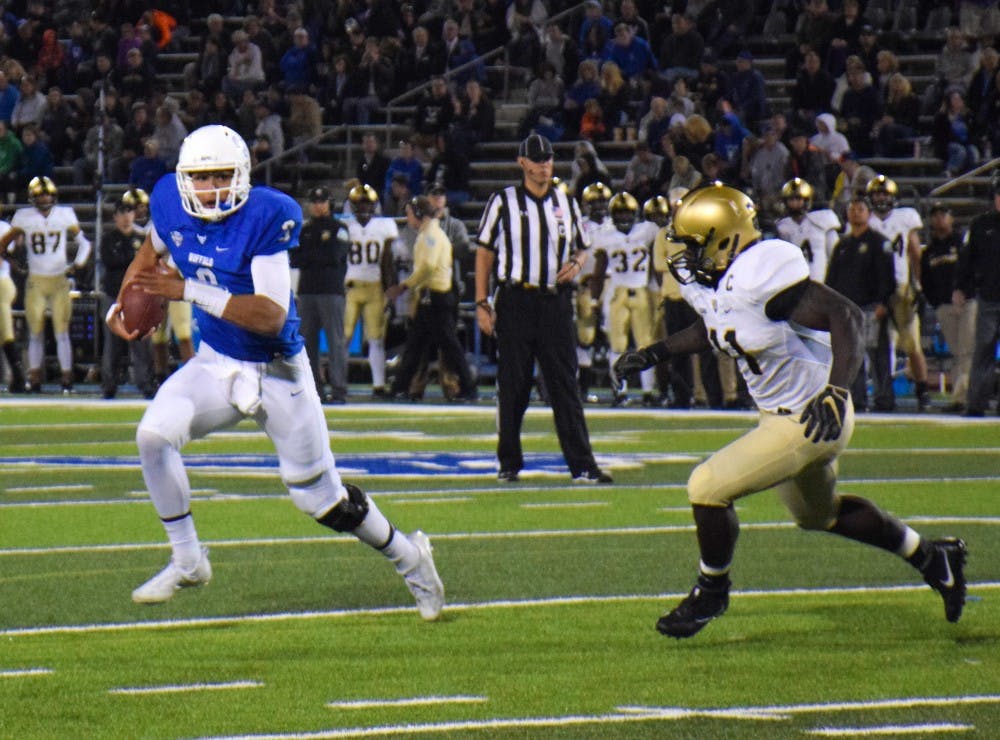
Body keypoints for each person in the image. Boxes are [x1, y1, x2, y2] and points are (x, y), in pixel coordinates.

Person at [104, 125, 443, 619]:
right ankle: (188, 558)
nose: (211, 187)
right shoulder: (169, 202)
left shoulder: (267, 214)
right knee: (153, 437)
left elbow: (271, 315)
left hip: (277, 371)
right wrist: (128, 299)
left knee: (322, 502)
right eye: (201, 177)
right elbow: (150, 253)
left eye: (221, 174)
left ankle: (410, 559)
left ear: (241, 175)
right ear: (183, 180)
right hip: (217, 362)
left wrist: (187, 292)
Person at [612, 182, 967, 639]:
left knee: (706, 485)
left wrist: (837, 392)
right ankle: (931, 557)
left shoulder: (765, 274)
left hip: (812, 414)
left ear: (726, 238)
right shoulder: (727, 280)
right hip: (782, 415)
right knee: (819, 515)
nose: (686, 257)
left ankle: (711, 590)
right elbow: (721, 326)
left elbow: (848, 317)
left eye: (696, 245)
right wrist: (657, 352)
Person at [474, 134, 611, 484]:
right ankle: (509, 461)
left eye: (548, 159)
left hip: (554, 301)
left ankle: (582, 465)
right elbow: (485, 253)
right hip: (516, 299)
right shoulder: (503, 201)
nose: (543, 165)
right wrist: (482, 303)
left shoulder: (565, 201)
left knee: (565, 384)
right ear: (522, 163)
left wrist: (578, 264)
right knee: (513, 385)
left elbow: (583, 246)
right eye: (536, 160)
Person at [0, 176, 90, 393]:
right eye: (40, 195)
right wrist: (16, 263)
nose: (44, 198)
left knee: (62, 331)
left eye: (47, 194)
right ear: (32, 197)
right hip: (36, 280)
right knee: (35, 332)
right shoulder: (24, 217)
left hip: (59, 278)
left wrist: (76, 265)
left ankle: (67, 378)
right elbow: (3, 245)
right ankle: (35, 377)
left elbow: (84, 244)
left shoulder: (64, 214)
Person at [386, 195, 477, 402]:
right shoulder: (430, 233)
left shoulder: (430, 236)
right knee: (416, 346)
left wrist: (404, 286)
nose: (408, 218)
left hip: (436, 298)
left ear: (418, 214)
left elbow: (427, 267)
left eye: (409, 213)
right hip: (432, 298)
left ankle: (468, 387)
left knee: (447, 346)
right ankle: (400, 387)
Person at [825, 194, 896, 411]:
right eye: (852, 209)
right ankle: (857, 399)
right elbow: (832, 279)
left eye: (860, 209)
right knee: (851, 356)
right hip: (847, 310)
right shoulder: (843, 245)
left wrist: (884, 302)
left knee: (878, 355)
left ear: (869, 213)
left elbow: (887, 276)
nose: (856, 212)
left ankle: (884, 399)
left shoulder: (879, 242)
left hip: (870, 307)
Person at [866, 175, 931, 411]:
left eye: (884, 194)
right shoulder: (867, 220)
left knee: (911, 342)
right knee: (880, 346)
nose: (881, 198)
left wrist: (919, 285)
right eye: (877, 194)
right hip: (876, 291)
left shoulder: (905, 218)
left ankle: (923, 388)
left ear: (893, 197)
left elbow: (915, 252)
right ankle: (885, 392)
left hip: (902, 289)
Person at [591, 191, 659, 406]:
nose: (624, 219)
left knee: (645, 346)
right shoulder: (606, 236)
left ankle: (648, 392)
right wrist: (595, 299)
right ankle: (619, 391)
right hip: (618, 292)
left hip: (642, 291)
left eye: (627, 214)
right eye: (619, 215)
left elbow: (656, 263)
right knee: (617, 346)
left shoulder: (648, 231)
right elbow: (599, 271)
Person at [291, 186, 350, 404]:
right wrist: (319, 251)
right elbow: (294, 258)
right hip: (307, 291)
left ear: (329, 203)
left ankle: (338, 389)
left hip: (331, 290)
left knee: (335, 342)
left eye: (322, 201)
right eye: (314, 202)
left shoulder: (339, 227)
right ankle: (314, 387)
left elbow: (334, 255)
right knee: (307, 344)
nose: (318, 205)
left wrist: (310, 254)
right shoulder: (304, 229)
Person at [343, 183, 398, 398]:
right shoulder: (345, 225)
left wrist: (389, 286)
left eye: (367, 203)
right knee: (344, 337)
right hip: (351, 285)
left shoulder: (384, 226)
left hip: (375, 286)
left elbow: (389, 260)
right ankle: (340, 382)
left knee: (376, 338)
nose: (363, 208)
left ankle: (378, 384)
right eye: (359, 204)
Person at [954, 170, 1000, 417]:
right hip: (989, 297)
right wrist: (961, 287)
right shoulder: (980, 225)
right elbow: (967, 260)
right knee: (982, 350)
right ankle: (976, 403)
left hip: (990, 297)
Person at [921, 203, 975, 414]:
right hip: (944, 305)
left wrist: (967, 291)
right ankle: (960, 397)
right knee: (957, 353)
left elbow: (973, 268)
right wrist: (937, 302)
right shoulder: (931, 250)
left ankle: (965, 397)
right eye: (935, 215)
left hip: (968, 302)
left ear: (951, 218)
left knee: (966, 351)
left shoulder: (963, 243)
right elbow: (925, 279)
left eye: (944, 214)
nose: (939, 219)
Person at [99, 200, 155, 399]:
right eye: (121, 213)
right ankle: (109, 383)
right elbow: (111, 262)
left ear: (134, 215)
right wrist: (132, 260)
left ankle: (146, 383)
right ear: (115, 217)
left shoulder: (142, 238)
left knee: (140, 341)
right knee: (112, 343)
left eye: (128, 212)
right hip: (114, 295)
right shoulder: (108, 239)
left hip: (137, 296)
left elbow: (148, 264)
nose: (125, 217)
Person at [775, 178, 841, 284]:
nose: (795, 203)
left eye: (798, 199)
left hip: (822, 281)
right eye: (791, 200)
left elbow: (836, 256)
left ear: (806, 200)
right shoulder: (782, 228)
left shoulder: (822, 221)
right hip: (795, 282)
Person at [0, 210, 25, 392]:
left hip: (1, 283)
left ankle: (19, 376)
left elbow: (6, 258)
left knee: (6, 331)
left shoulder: (5, 228)